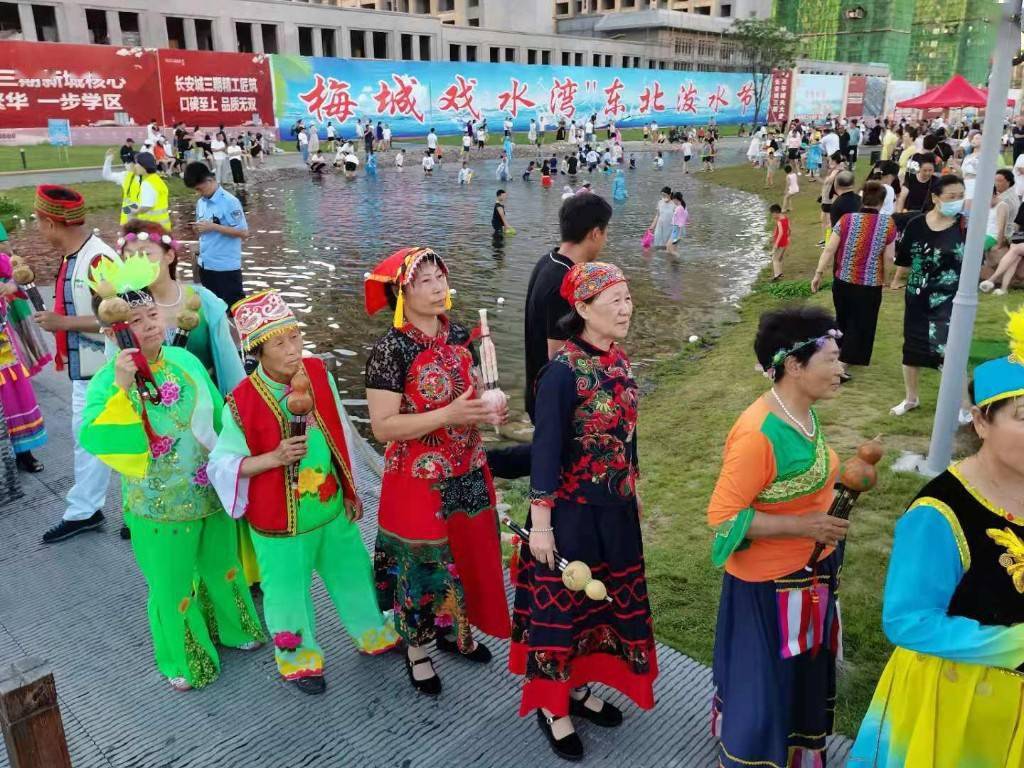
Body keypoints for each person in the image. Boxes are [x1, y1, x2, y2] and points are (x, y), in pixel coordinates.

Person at [81, 251, 265, 690]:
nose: (150, 326)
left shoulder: (185, 362)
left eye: (152, 316)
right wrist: (124, 389)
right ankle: (183, 659)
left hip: (207, 491)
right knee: (172, 583)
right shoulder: (109, 379)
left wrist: (241, 462)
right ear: (115, 332)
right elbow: (96, 436)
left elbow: (220, 420)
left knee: (223, 565)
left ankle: (235, 628)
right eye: (138, 321)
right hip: (157, 503)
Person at [850, 314, 1024, 767]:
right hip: (956, 700)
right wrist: (1015, 645)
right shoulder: (939, 513)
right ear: (982, 421)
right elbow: (909, 621)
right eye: (1023, 414)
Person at [207, 290, 398, 694]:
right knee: (286, 592)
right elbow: (221, 466)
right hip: (279, 520)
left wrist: (350, 487)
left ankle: (374, 635)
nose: (294, 349)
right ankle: (299, 660)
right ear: (259, 351)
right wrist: (273, 457)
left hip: (329, 507)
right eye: (280, 342)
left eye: (295, 336)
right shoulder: (239, 404)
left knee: (354, 574)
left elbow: (338, 436)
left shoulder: (317, 373)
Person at [511, 261, 655, 761]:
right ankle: (554, 706)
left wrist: (632, 487)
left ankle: (576, 687)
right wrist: (542, 525)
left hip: (613, 512)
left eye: (628, 298)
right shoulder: (561, 372)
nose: (626, 308)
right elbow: (546, 450)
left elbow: (626, 434)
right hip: (570, 514)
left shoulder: (619, 361)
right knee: (563, 613)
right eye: (614, 300)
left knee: (600, 606)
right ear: (583, 307)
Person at [363, 247, 511, 695]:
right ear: (401, 292)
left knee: (462, 555)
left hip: (466, 466)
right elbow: (383, 426)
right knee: (422, 562)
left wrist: (491, 408)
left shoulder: (461, 335)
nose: (437, 285)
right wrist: (446, 416)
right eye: (424, 279)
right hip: (417, 477)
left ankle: (454, 630)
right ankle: (417, 649)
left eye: (439, 275)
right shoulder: (390, 350)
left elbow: (477, 394)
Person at [708, 306, 846, 768]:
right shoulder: (757, 432)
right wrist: (803, 526)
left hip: (808, 572)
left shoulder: (802, 414)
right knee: (767, 684)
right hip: (769, 588)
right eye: (830, 359)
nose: (840, 369)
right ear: (794, 365)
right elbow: (724, 517)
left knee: (797, 681)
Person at [32, 186, 116, 543]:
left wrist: (63, 325)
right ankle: (87, 509)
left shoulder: (98, 260)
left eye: (38, 222)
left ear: (51, 223)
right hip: (88, 367)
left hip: (107, 370)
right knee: (93, 439)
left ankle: (89, 510)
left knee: (109, 438)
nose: (38, 229)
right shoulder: (75, 255)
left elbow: (121, 317)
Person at [890, 174, 969, 418]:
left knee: (947, 350)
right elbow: (904, 259)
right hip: (917, 295)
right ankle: (911, 398)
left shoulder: (965, 226)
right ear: (935, 197)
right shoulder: (915, 225)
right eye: (951, 196)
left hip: (949, 298)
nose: (957, 201)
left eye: (960, 196)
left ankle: (964, 406)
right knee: (912, 348)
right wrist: (895, 281)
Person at [811, 181, 897, 374]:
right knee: (862, 322)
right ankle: (843, 363)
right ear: (882, 202)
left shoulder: (846, 220)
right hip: (869, 284)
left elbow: (830, 249)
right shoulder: (888, 224)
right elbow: (889, 257)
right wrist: (885, 278)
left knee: (843, 318)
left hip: (843, 280)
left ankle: (837, 352)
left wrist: (818, 273)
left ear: (862, 199)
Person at [0, 252, 47, 472]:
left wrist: (10, 286)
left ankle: (23, 452)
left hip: (2, 344)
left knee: (13, 394)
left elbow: (20, 274)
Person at [183, 162, 248, 309]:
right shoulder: (201, 203)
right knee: (212, 310)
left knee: (234, 311)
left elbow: (243, 232)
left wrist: (214, 227)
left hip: (226, 267)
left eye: (200, 188)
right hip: (206, 264)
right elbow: (205, 229)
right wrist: (198, 229)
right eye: (196, 190)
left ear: (210, 180)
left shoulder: (230, 202)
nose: (199, 193)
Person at [103, 150, 171, 232]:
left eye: (131, 163)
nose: (128, 166)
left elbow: (147, 205)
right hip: (130, 223)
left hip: (145, 224)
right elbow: (107, 175)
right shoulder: (126, 176)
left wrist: (134, 213)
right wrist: (108, 159)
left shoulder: (149, 181)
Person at [769, 203, 789, 280]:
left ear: (775, 213)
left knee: (774, 258)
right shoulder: (785, 218)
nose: (772, 216)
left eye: (772, 214)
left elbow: (781, 233)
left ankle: (777, 275)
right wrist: (774, 234)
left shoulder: (779, 221)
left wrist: (776, 244)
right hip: (785, 241)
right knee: (779, 258)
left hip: (780, 242)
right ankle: (780, 273)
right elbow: (788, 229)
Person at [666, 192, 688, 257]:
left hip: (676, 231)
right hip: (675, 230)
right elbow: (686, 218)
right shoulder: (682, 207)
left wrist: (678, 236)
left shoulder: (679, 208)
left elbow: (681, 221)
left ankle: (679, 258)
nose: (673, 201)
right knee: (669, 249)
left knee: (671, 249)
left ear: (676, 199)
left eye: (673, 200)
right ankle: (673, 262)